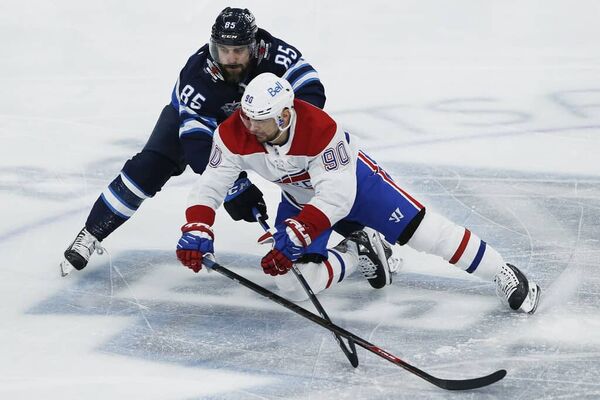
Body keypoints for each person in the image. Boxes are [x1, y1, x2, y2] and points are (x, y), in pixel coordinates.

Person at [175, 72, 541, 313]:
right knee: (292, 284)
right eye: (246, 116)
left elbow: (337, 198)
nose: (249, 125)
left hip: (356, 186)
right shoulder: (233, 133)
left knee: (427, 234)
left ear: (284, 116)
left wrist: (295, 233)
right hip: (300, 201)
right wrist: (197, 228)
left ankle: (501, 271)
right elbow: (211, 184)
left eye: (260, 119)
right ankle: (356, 252)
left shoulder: (321, 129)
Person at [60, 7, 332, 275]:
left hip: (263, 121)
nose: (230, 58)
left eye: (238, 50)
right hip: (210, 122)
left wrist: (285, 133)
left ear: (255, 46)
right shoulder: (197, 75)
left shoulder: (276, 54)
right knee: (148, 168)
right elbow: (197, 145)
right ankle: (92, 232)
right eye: (223, 50)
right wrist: (235, 189)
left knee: (312, 172)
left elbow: (311, 92)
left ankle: (356, 232)